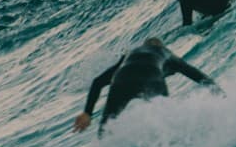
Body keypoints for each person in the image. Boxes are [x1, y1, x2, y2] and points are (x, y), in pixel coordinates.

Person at [74, 36, 217, 134]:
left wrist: (88, 113)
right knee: (165, 122)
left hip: (122, 78)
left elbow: (97, 82)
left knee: (106, 127)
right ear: (161, 46)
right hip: (151, 77)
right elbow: (198, 76)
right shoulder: (168, 54)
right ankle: (167, 146)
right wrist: (220, 94)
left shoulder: (129, 55)